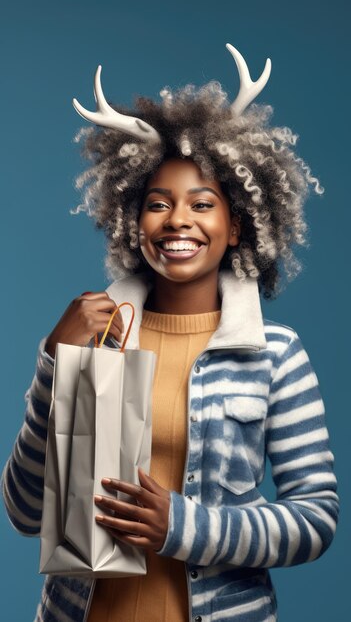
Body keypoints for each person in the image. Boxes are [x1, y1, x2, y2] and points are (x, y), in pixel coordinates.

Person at [2, 45, 338, 622]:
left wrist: (182, 527)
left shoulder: (275, 354)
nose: (178, 219)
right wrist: (54, 365)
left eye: (202, 203)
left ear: (236, 227)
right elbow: (26, 512)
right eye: (158, 204)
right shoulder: (96, 337)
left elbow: (315, 521)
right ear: (135, 223)